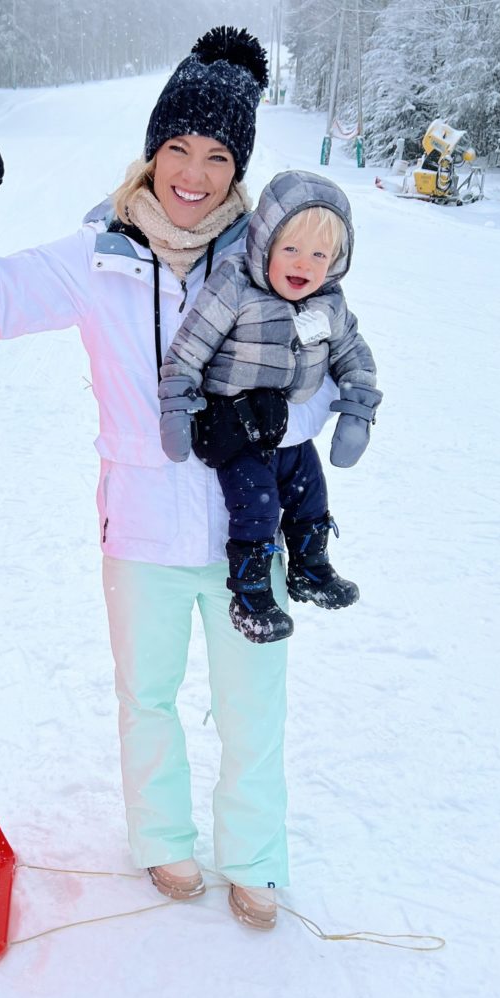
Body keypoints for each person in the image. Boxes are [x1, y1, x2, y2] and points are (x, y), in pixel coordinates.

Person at [0, 26, 340, 931]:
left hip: (245, 532)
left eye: (218, 156)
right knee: (146, 698)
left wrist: (270, 421)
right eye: (178, 146)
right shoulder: (96, 255)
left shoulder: (268, 258)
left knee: (253, 708)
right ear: (152, 149)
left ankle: (255, 858)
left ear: (238, 168)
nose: (195, 172)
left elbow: (325, 376)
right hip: (139, 527)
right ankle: (164, 842)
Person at [159, 170, 382, 643]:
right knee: (256, 507)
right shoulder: (234, 287)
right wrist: (177, 407)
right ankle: (251, 592)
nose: (304, 264)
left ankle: (310, 567)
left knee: (310, 494)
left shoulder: (329, 305)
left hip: (291, 436)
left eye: (320, 254)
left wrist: (357, 411)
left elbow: (354, 356)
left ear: (337, 261)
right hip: (237, 429)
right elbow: (189, 348)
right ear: (264, 244)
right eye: (292, 249)